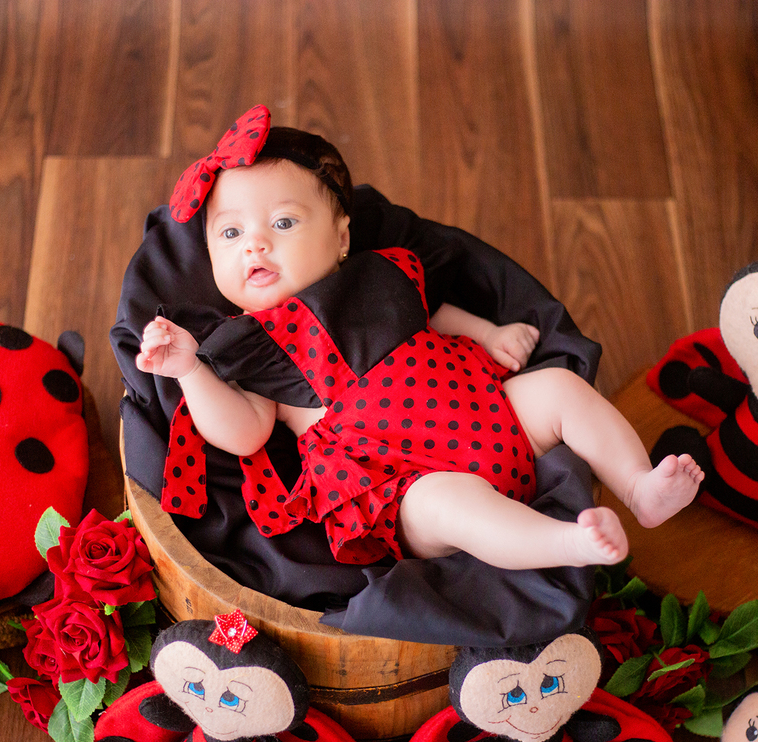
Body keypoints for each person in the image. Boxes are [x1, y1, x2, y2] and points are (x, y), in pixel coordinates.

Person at [137, 106, 702, 572]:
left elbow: (431, 314)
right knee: (450, 505)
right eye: (230, 233)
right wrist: (191, 371)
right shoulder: (254, 342)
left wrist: (490, 332)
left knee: (558, 388)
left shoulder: (379, 272)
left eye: (283, 223)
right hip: (400, 478)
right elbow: (244, 434)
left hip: (489, 412)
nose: (254, 245)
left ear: (341, 238)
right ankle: (566, 544)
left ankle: (638, 487)